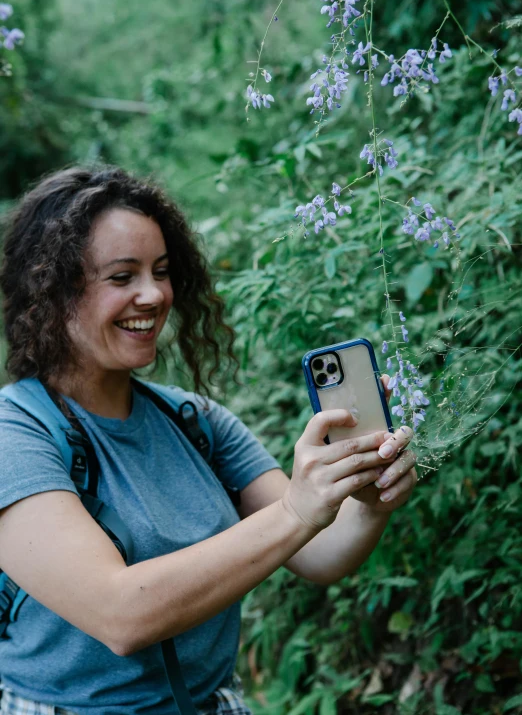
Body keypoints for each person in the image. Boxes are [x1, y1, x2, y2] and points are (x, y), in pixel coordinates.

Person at [0, 167, 417, 715]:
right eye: (122, 277)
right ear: (52, 290)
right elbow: (120, 615)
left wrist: (366, 500)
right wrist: (296, 509)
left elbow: (321, 554)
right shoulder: (16, 435)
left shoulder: (194, 421)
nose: (153, 294)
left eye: (162, 271)